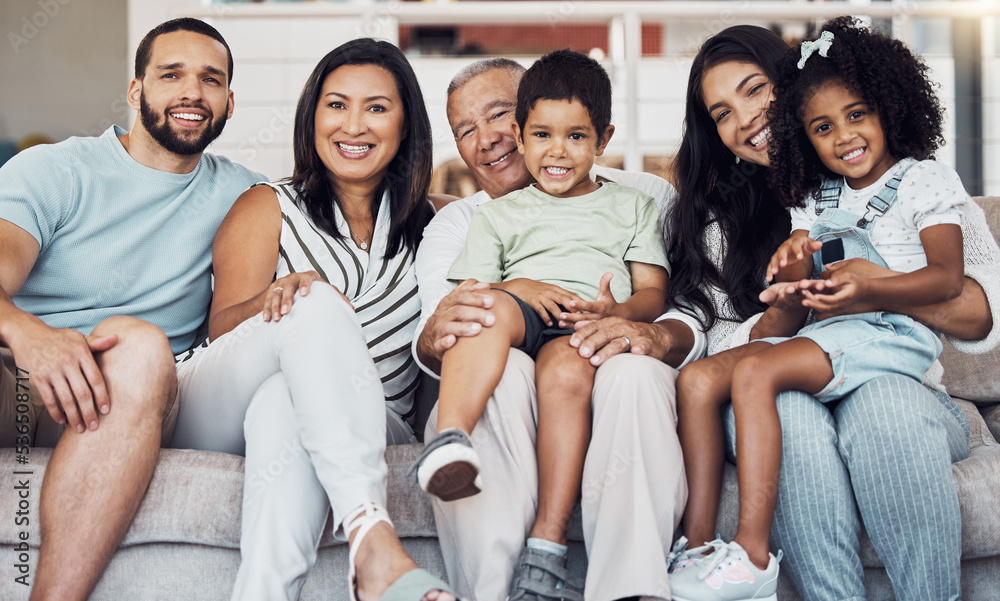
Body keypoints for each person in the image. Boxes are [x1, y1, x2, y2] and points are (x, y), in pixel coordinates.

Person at [654, 23, 1000, 601]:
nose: (745, 120)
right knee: (780, 403)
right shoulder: (738, 219)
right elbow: (716, 336)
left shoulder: (912, 182)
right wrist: (783, 306)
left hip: (893, 371)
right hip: (794, 375)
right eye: (721, 112)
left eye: (754, 89)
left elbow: (975, 312)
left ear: (791, 86)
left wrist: (875, 285)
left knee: (883, 403)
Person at [167, 38, 455, 601]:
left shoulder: (440, 222)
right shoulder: (267, 204)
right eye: (336, 105)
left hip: (374, 416)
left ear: (405, 124)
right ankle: (374, 541)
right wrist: (281, 295)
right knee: (313, 306)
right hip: (222, 405)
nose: (354, 125)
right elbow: (224, 329)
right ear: (313, 116)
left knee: (286, 402)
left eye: (377, 107)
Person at [414, 57, 703, 601]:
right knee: (484, 314)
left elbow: (665, 300)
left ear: (603, 137)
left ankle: (557, 546)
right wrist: (517, 288)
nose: (487, 139)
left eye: (496, 114)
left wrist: (620, 315)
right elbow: (456, 309)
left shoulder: (638, 201)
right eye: (465, 130)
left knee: (572, 375)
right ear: (528, 134)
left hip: (586, 325)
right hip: (514, 317)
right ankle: (449, 439)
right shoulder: (482, 218)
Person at [0, 18, 262, 601]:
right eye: (172, 75)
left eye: (210, 80)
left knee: (138, 343)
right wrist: (27, 332)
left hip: (133, 396)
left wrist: (457, 209)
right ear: (136, 90)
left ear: (229, 102)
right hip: (25, 378)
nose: (193, 92)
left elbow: (357, 199)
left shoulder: (249, 198)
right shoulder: (56, 170)